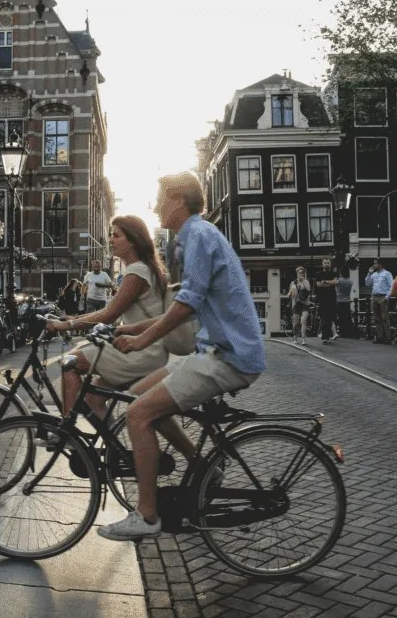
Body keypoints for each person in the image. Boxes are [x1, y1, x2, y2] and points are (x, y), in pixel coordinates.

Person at [103, 171, 266, 540]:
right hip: (216, 350)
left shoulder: (196, 236)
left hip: (229, 357)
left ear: (178, 201)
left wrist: (144, 340)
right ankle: (204, 465)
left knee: (137, 413)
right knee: (138, 394)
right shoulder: (195, 235)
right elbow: (188, 301)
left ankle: (147, 516)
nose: (157, 204)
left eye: (161, 197)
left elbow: (188, 303)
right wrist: (133, 330)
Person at [46, 217, 170, 417]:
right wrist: (72, 318)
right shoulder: (146, 268)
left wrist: (66, 325)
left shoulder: (137, 271)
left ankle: (67, 433)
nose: (110, 240)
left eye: (116, 235)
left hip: (141, 350)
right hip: (147, 348)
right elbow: (108, 312)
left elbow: (109, 313)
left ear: (131, 240)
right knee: (94, 400)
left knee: (70, 361)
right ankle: (112, 449)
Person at [365, 259, 394, 344]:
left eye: (375, 264)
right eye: (373, 264)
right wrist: (369, 273)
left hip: (382, 296)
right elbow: (367, 283)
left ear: (380, 265)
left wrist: (387, 297)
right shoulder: (373, 274)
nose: (374, 265)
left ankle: (388, 338)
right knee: (377, 318)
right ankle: (380, 337)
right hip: (374, 296)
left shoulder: (387, 274)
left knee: (384, 318)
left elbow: (392, 286)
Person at [314, 258, 339, 344]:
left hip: (331, 298)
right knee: (324, 317)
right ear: (322, 264)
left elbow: (336, 282)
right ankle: (326, 338)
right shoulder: (319, 274)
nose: (326, 264)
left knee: (330, 317)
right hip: (322, 298)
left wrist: (325, 281)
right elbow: (318, 284)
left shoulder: (334, 273)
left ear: (330, 264)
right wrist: (330, 283)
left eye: (328, 263)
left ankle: (326, 337)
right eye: (325, 263)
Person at [288, 266, 312, 345]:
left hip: (305, 304)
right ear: (297, 273)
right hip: (296, 304)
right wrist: (291, 294)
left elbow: (308, 290)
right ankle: (295, 336)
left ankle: (303, 338)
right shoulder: (293, 282)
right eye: (299, 273)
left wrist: (303, 282)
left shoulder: (306, 282)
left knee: (304, 320)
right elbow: (289, 293)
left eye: (302, 273)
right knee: (295, 322)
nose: (301, 274)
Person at [336, 267, 355, 338]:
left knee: (340, 317)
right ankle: (347, 333)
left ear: (341, 273)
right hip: (347, 301)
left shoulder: (339, 280)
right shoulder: (350, 281)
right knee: (347, 317)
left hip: (339, 300)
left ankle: (342, 332)